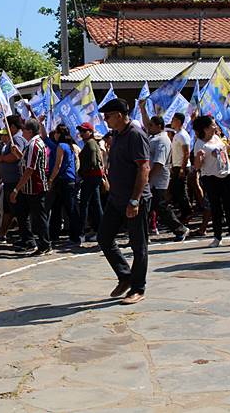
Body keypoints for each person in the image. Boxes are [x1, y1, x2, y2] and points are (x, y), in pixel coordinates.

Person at [97, 98, 151, 305]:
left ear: (119, 115)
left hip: (134, 199)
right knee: (104, 238)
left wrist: (135, 200)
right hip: (116, 198)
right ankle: (125, 276)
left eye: (108, 116)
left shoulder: (136, 135)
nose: (105, 119)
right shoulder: (117, 135)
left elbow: (144, 168)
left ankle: (138, 288)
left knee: (139, 245)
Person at [192, 116, 230, 248]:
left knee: (229, 206)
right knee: (216, 207)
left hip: (226, 174)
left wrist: (229, 144)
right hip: (211, 178)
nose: (215, 127)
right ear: (205, 129)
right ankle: (217, 237)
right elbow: (197, 166)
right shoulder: (199, 143)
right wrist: (199, 157)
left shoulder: (217, 137)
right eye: (213, 125)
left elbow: (222, 151)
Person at [9, 119, 50, 256]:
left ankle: (44, 245)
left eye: (24, 130)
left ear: (30, 131)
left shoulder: (33, 144)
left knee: (38, 217)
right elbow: (27, 163)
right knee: (23, 214)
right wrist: (18, 154)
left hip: (34, 187)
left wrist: (16, 189)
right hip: (29, 187)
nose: (22, 132)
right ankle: (29, 241)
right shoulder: (33, 143)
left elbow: (30, 169)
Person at [145, 114, 187, 241]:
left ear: (159, 126)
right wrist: (142, 109)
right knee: (149, 207)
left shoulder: (162, 140)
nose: (149, 127)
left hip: (158, 180)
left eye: (151, 125)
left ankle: (180, 229)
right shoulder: (154, 138)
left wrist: (148, 177)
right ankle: (143, 234)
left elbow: (159, 163)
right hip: (153, 180)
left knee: (160, 207)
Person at [43, 124, 81, 247]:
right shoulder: (68, 146)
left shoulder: (61, 146)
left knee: (68, 209)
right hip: (67, 181)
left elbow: (58, 165)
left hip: (64, 181)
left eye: (56, 132)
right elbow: (45, 138)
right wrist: (40, 123)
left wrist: (51, 179)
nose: (54, 134)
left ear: (59, 134)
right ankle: (55, 234)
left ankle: (75, 237)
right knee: (58, 208)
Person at [0, 116, 29, 244]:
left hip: (15, 180)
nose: (6, 129)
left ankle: (26, 239)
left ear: (13, 127)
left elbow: (16, 156)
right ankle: (2, 234)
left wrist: (1, 158)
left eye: (7, 126)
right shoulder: (14, 138)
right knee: (8, 210)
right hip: (9, 181)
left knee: (19, 211)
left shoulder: (17, 139)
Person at [76, 122, 104, 242]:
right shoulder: (91, 143)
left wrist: (83, 172)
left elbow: (93, 162)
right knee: (95, 204)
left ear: (90, 132)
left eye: (84, 131)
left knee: (85, 204)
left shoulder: (90, 143)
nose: (81, 133)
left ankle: (82, 234)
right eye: (81, 131)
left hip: (90, 177)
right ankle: (100, 231)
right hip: (93, 177)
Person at [168, 112, 192, 221]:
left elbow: (186, 153)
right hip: (176, 166)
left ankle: (187, 212)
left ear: (178, 121)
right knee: (176, 190)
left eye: (173, 119)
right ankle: (184, 211)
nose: (171, 122)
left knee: (181, 191)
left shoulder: (182, 135)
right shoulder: (177, 134)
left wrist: (182, 168)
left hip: (182, 167)